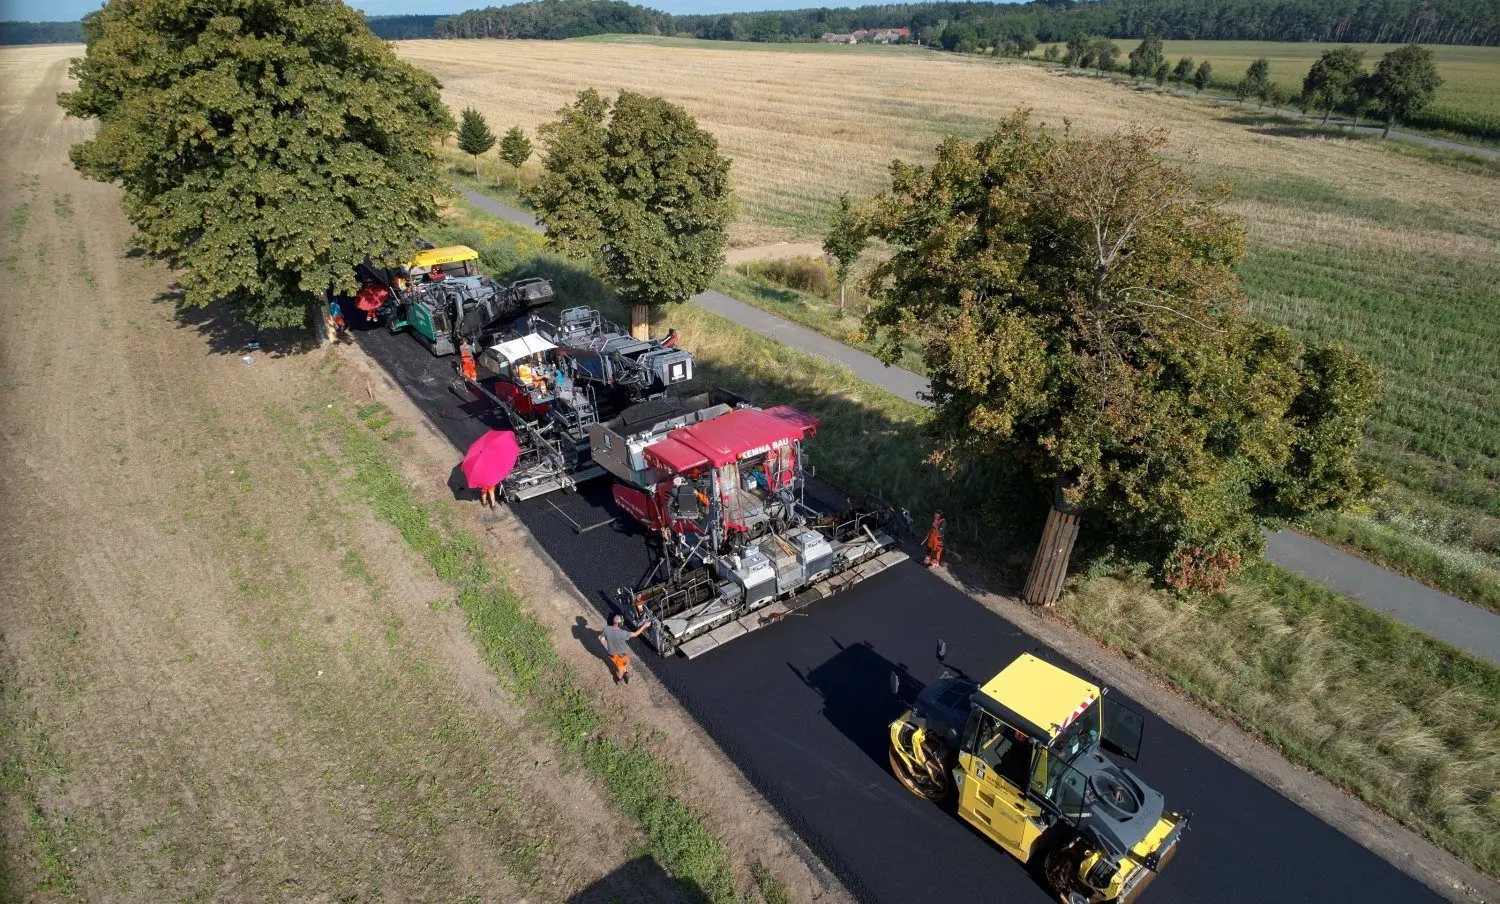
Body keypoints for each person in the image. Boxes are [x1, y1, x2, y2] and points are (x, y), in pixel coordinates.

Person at [600, 613, 652, 685]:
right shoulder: (622, 633)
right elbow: (635, 634)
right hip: (620, 656)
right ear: (620, 624)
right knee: (620, 669)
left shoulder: (606, 629)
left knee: (619, 664)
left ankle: (623, 670)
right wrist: (644, 626)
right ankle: (619, 679)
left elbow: (601, 639)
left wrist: (608, 647)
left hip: (610, 654)